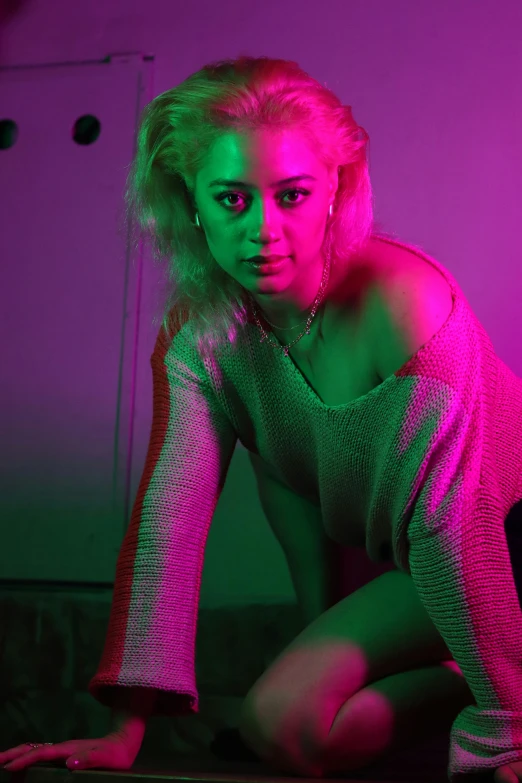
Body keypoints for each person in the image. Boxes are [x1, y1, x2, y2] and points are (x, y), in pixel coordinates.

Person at [1, 55, 522, 783]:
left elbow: (458, 520)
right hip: (411, 563)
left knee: (284, 717)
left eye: (292, 195)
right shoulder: (202, 336)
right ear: (191, 203)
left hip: (501, 542)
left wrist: (504, 728)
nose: (264, 232)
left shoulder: (409, 307)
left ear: (336, 189)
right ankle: (480, 675)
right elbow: (169, 518)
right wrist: (124, 732)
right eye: (233, 199)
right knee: (288, 728)